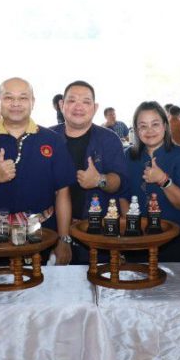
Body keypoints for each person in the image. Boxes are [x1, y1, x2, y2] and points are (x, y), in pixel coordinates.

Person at [0, 77, 76, 264]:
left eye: (23, 98)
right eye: (9, 97)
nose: (16, 103)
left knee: (40, 281)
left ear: (32, 102)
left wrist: (64, 239)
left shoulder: (53, 140)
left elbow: (63, 192)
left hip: (42, 232)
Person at [52, 81, 128, 264]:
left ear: (95, 108)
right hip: (53, 231)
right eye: (72, 100)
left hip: (97, 230)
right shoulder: (48, 138)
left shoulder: (109, 139)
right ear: (62, 105)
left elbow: (119, 182)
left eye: (86, 102)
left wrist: (99, 180)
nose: (78, 107)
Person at [120, 102, 180, 261]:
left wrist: (163, 180)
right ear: (136, 130)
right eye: (143, 126)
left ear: (165, 126)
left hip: (174, 239)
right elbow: (122, 196)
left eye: (155, 124)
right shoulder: (128, 156)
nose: (149, 131)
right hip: (137, 240)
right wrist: (133, 226)